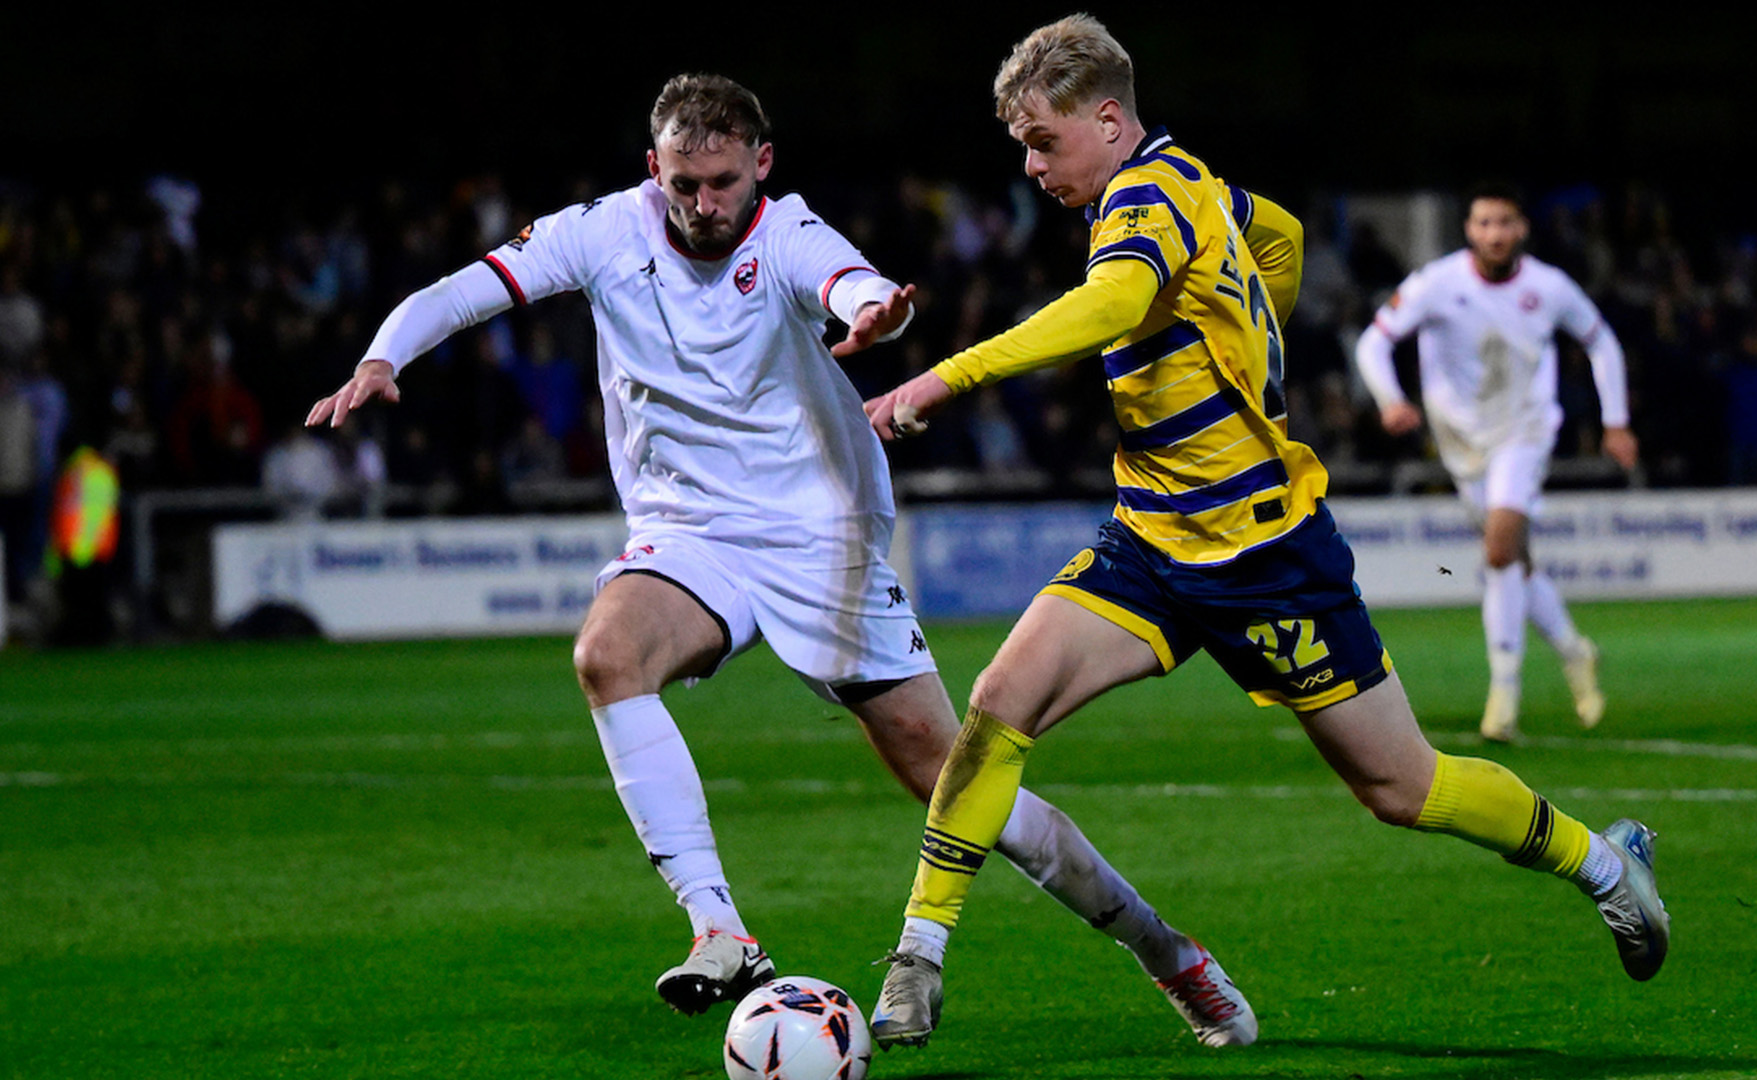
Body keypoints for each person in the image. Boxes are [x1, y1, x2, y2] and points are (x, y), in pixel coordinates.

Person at [307, 74, 1234, 1037]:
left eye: (721, 183)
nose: (703, 206)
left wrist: (880, 316)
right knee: (607, 656)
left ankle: (1168, 953)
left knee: (953, 782)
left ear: (762, 164)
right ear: (652, 170)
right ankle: (720, 928)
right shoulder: (603, 232)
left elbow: (854, 284)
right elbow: (465, 290)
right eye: (683, 185)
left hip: (820, 535)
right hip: (691, 533)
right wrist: (383, 358)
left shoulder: (787, 232)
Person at [862, 16, 1669, 1049]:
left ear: (1108, 121)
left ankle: (1605, 865)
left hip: (1267, 556)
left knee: (1403, 786)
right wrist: (1251, 332)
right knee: (998, 706)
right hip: (1152, 540)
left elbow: (1114, 300)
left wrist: (944, 377)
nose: (1029, 165)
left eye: (1042, 141)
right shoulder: (1191, 178)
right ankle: (919, 959)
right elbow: (1278, 234)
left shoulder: (1144, 204)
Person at [1353, 184, 1637, 741]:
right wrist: (1390, 399)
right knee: (1516, 563)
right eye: (1484, 223)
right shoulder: (1438, 283)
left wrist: (1617, 420)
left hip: (1525, 433)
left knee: (1499, 549)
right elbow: (1373, 343)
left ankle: (1504, 692)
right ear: (1469, 229)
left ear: (1522, 228)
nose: (1495, 234)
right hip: (1462, 445)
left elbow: (1602, 342)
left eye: (1505, 222)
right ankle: (1575, 651)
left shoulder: (1548, 287)